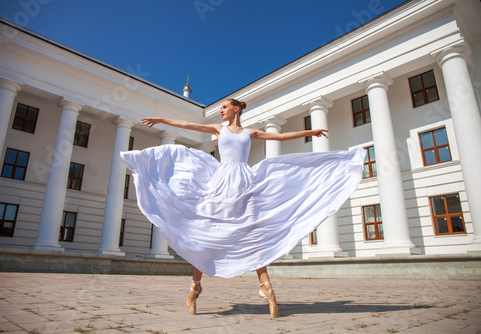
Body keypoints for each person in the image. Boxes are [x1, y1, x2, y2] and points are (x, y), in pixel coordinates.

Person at [121, 99, 365, 318]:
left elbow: (280, 137)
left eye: (225, 107)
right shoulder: (219, 129)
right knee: (210, 233)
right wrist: (161, 120)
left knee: (252, 233)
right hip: (221, 183)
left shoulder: (251, 132)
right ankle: (196, 284)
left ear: (235, 109)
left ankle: (264, 285)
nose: (221, 111)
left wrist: (310, 131)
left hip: (245, 183)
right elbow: (187, 125)